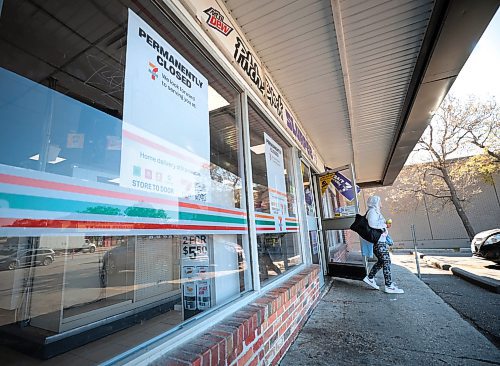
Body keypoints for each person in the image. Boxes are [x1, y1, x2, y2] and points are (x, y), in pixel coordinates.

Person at [362, 195, 404, 294]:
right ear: (375, 202)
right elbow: (372, 224)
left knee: (382, 261)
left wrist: (385, 224)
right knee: (387, 261)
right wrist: (385, 225)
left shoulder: (375, 212)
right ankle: (389, 286)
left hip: (380, 241)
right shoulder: (372, 212)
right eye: (380, 202)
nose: (381, 205)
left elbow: (376, 224)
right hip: (378, 242)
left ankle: (370, 278)